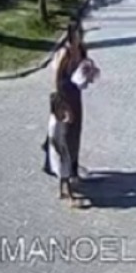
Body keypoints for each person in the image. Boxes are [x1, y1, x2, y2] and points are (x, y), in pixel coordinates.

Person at [53, 20, 88, 183]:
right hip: (64, 95)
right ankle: (64, 174)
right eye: (76, 33)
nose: (79, 36)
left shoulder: (82, 50)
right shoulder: (64, 52)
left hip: (76, 94)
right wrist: (59, 101)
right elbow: (56, 77)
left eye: (81, 33)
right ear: (70, 35)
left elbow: (84, 68)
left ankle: (74, 167)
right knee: (64, 133)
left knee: (76, 131)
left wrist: (89, 73)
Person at [46, 91, 82, 208]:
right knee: (66, 173)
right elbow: (52, 139)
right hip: (59, 150)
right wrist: (60, 152)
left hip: (60, 148)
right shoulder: (54, 123)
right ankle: (71, 197)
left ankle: (61, 192)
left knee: (61, 173)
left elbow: (67, 122)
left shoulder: (57, 118)